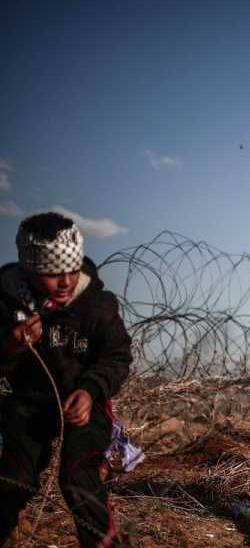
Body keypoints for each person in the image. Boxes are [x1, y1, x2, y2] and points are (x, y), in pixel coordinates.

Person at [0, 213, 133, 547]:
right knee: (12, 479)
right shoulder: (6, 303)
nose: (65, 282)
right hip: (28, 405)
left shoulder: (97, 306)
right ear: (29, 270)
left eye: (72, 270)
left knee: (78, 477)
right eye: (52, 274)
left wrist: (91, 391)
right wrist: (10, 347)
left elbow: (117, 356)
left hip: (84, 405)